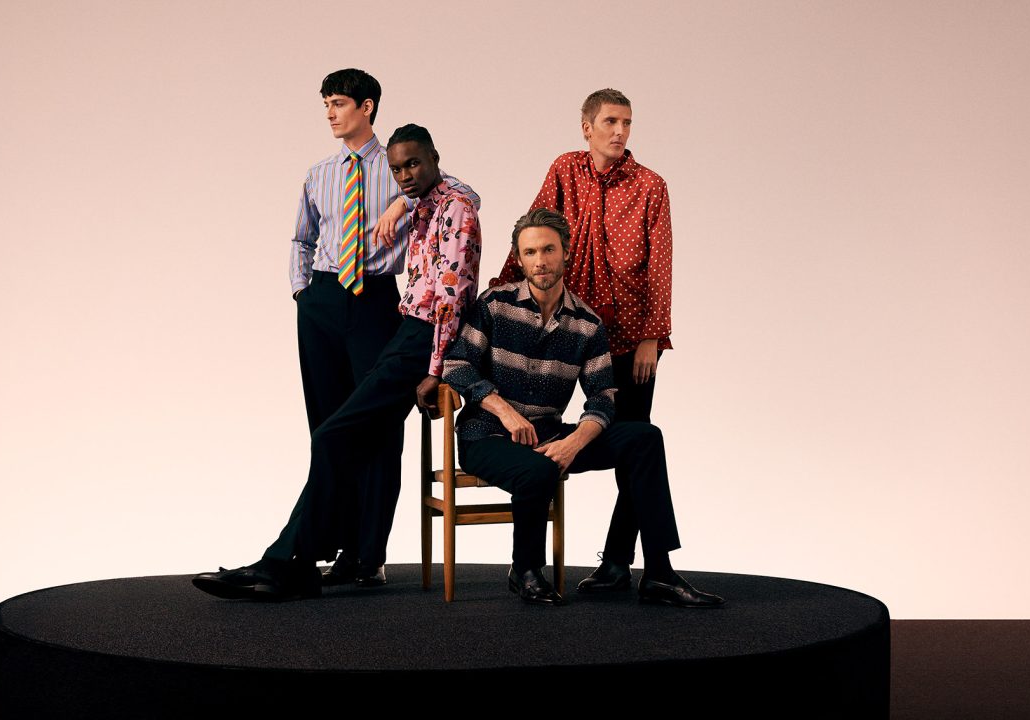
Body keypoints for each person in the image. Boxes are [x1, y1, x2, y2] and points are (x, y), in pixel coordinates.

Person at [194, 123, 481, 600]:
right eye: (397, 169)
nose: (406, 176)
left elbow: (453, 295)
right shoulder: (425, 203)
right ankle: (291, 562)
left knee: (335, 435)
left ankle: (288, 563)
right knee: (342, 436)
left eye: (414, 164)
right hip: (403, 325)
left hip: (426, 337)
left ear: (435, 158)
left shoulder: (456, 206)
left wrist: (434, 370)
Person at [443, 208, 721, 608]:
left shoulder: (587, 323)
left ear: (566, 252)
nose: (541, 260)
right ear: (519, 259)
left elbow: (604, 397)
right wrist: (504, 410)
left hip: (549, 434)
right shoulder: (495, 305)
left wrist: (573, 443)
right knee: (538, 468)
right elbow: (457, 366)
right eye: (531, 252)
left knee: (644, 437)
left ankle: (658, 572)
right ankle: (525, 571)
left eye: (549, 250)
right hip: (486, 435)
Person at [285, 69, 479, 584]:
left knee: (374, 430)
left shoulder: (398, 164)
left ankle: (366, 555)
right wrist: (302, 291)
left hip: (374, 301)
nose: (330, 112)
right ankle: (321, 544)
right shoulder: (319, 172)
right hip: (323, 301)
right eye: (325, 103)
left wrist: (400, 198)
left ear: (367, 107)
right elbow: (301, 239)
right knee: (326, 424)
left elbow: (463, 195)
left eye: (339, 103)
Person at [492, 88, 671, 592]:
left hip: (629, 336)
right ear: (587, 126)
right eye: (611, 121)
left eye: (628, 123)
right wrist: (500, 295)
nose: (620, 132)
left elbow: (660, 266)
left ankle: (618, 562)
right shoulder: (564, 170)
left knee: (634, 445)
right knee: (544, 418)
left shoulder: (651, 186)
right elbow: (534, 230)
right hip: (567, 329)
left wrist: (651, 339)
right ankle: (529, 563)